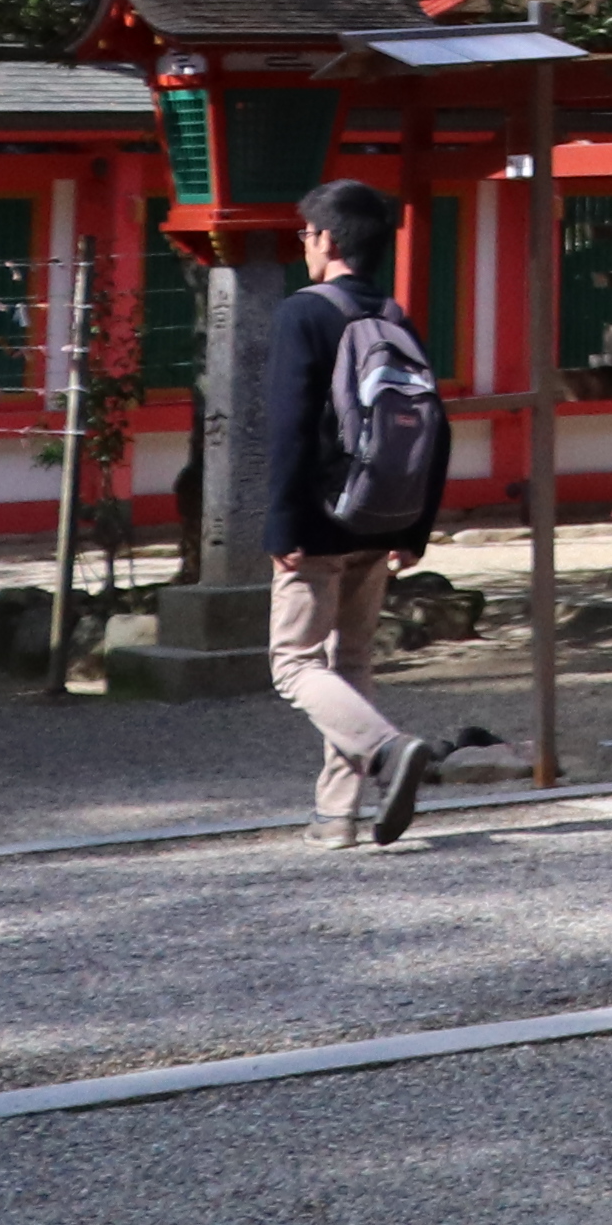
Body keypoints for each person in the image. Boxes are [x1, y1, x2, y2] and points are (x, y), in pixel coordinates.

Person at [268, 178, 446, 848]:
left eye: (305, 235)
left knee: (294, 665)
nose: (303, 247)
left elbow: (287, 431)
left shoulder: (303, 314)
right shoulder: (396, 317)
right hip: (383, 512)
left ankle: (387, 749)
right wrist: (415, 526)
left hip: (318, 516)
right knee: (352, 663)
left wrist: (282, 526)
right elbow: (436, 424)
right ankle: (336, 816)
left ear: (327, 240)